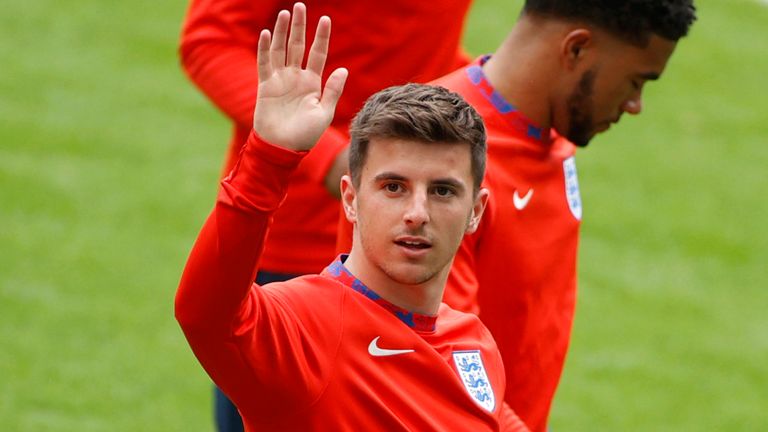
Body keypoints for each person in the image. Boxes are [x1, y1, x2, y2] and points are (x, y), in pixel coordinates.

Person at [334, 1, 698, 430]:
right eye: (636, 81)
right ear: (576, 49)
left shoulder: (552, 133)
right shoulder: (435, 166)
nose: (635, 104)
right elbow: (431, 361)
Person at [176, 6, 529, 431]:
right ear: (351, 197)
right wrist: (270, 158)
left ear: (476, 211)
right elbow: (206, 316)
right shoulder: (304, 333)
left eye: (442, 191)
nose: (417, 214)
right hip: (289, 247)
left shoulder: (473, 345)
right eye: (393, 187)